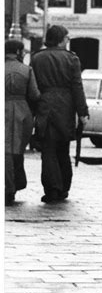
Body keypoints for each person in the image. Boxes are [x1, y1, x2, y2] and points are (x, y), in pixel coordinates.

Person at [30, 25, 88, 203]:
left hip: (44, 106)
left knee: (48, 149)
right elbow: (77, 87)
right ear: (60, 39)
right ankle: (63, 187)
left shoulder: (37, 58)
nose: (68, 41)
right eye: (67, 38)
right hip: (65, 107)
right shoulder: (71, 59)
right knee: (63, 149)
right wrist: (82, 113)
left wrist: (32, 111)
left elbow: (32, 87)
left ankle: (51, 188)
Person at [5, 40, 41, 206]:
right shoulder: (27, 70)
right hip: (21, 112)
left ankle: (8, 186)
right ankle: (13, 186)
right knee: (16, 150)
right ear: (18, 51)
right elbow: (34, 95)